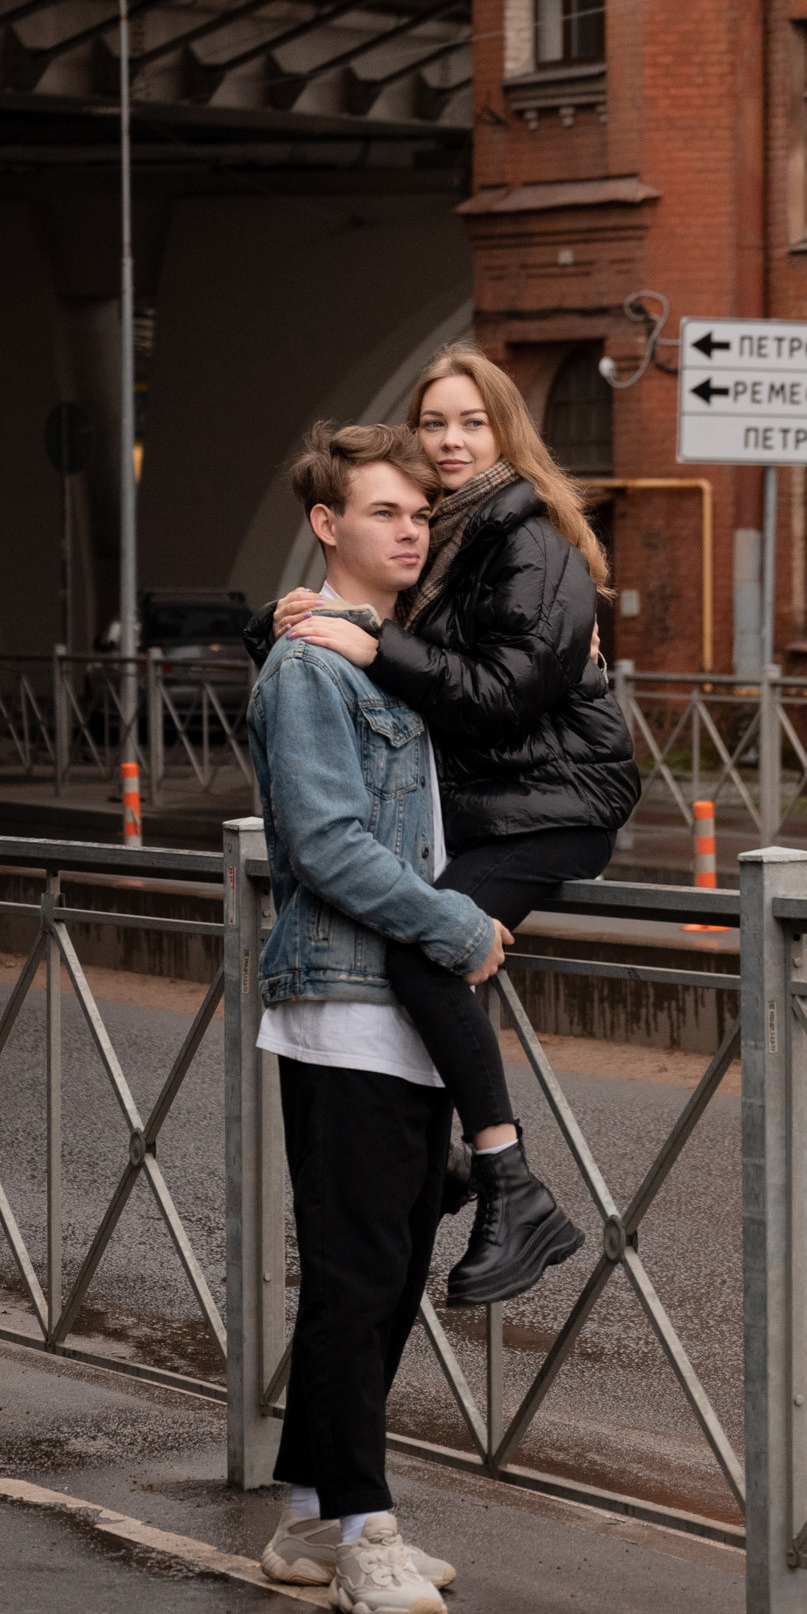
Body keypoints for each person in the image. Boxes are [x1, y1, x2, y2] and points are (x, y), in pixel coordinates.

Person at [272, 343, 640, 1307]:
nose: (450, 440)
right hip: (492, 803)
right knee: (420, 941)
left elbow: (501, 696)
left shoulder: (532, 540)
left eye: (472, 422)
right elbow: (376, 625)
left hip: (557, 804)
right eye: (433, 422)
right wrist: (288, 622)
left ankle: (510, 1184)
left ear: (506, 432)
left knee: (424, 950)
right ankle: (449, 1162)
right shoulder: (446, 537)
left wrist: (374, 646)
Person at [247, 419, 509, 1614]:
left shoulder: (383, 652)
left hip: (401, 1008)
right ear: (326, 523)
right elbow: (325, 842)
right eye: (382, 512)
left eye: (419, 513)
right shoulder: (310, 668)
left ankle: (311, 1513)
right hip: (347, 1003)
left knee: (387, 1272)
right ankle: (363, 1534)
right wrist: (455, 926)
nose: (409, 530)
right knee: (357, 1278)